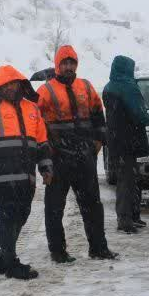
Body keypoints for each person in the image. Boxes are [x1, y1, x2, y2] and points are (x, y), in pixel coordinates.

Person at [0, 66, 53, 280]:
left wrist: (46, 167)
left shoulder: (31, 108)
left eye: (15, 83)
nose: (12, 87)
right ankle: (12, 264)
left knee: (22, 215)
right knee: (8, 216)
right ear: (0, 86)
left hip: (26, 176)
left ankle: (4, 258)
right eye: (8, 84)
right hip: (2, 175)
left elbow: (41, 142)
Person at [34, 45, 112, 263]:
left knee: (93, 206)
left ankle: (98, 248)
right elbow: (35, 123)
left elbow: (98, 117)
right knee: (54, 208)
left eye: (72, 63)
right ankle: (58, 252)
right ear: (57, 66)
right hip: (58, 158)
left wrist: (98, 142)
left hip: (84, 156)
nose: (69, 67)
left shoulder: (86, 87)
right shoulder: (45, 91)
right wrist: (45, 153)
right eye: (64, 63)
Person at [103, 55, 149, 234]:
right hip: (129, 140)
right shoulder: (128, 87)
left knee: (126, 179)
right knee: (128, 181)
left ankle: (129, 216)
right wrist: (146, 118)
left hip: (116, 140)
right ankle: (127, 219)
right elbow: (141, 115)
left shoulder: (109, 87)